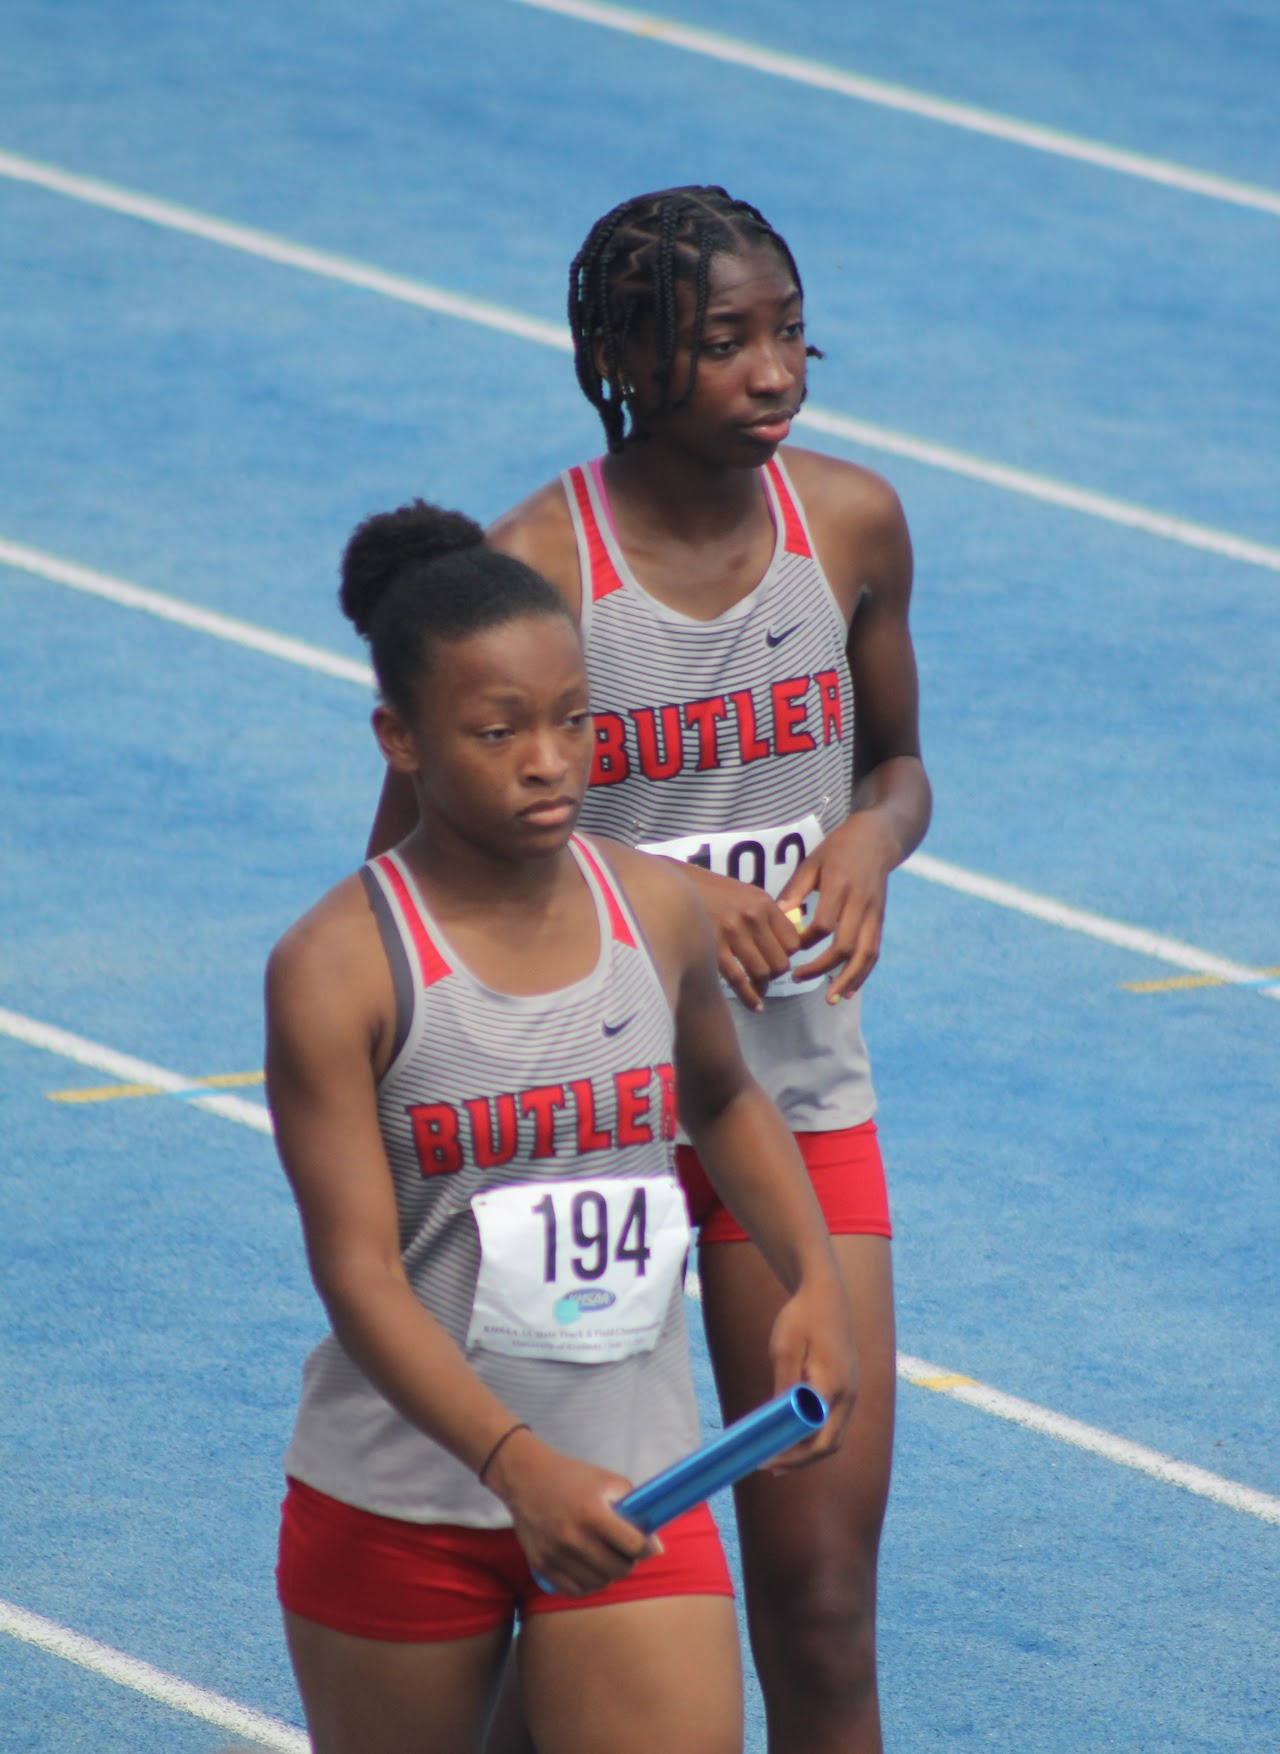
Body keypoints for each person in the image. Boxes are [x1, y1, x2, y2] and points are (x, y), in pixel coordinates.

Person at [371, 184, 931, 1753]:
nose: (775, 374)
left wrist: (873, 844)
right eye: (724, 342)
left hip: (796, 1092)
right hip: (578, 1127)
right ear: (621, 353)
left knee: (822, 1602)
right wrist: (658, 889)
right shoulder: (535, 566)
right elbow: (405, 887)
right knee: (552, 1583)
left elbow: (899, 768)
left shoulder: (856, 525)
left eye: (792, 335)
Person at [267, 498, 859, 1754]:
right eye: (498, 730)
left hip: (638, 1481)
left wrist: (811, 1273)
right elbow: (359, 1270)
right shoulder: (337, 968)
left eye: (575, 721)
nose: (549, 759)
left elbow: (723, 1098)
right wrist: (512, 1462)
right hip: (404, 1499)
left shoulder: (654, 910)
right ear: (402, 738)